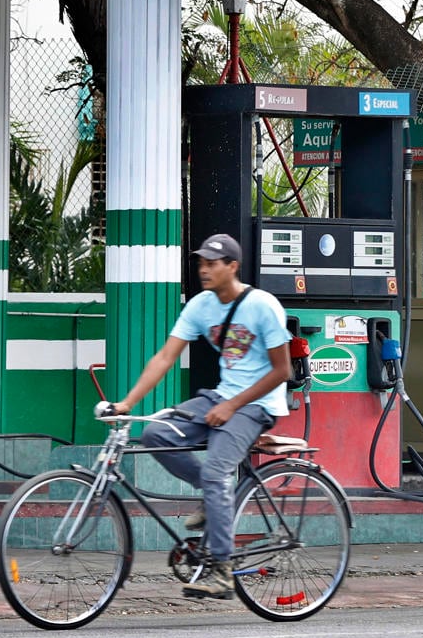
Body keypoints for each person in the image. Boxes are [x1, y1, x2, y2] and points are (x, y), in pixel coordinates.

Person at [107, 233, 291, 600]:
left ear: (232, 267)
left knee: (216, 471)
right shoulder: (200, 306)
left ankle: (222, 571)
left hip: (258, 404)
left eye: (212, 263)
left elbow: (282, 370)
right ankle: (211, 496)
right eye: (201, 263)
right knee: (156, 434)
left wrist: (233, 406)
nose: (204, 269)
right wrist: (127, 403)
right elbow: (164, 357)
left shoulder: (263, 306)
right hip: (220, 396)